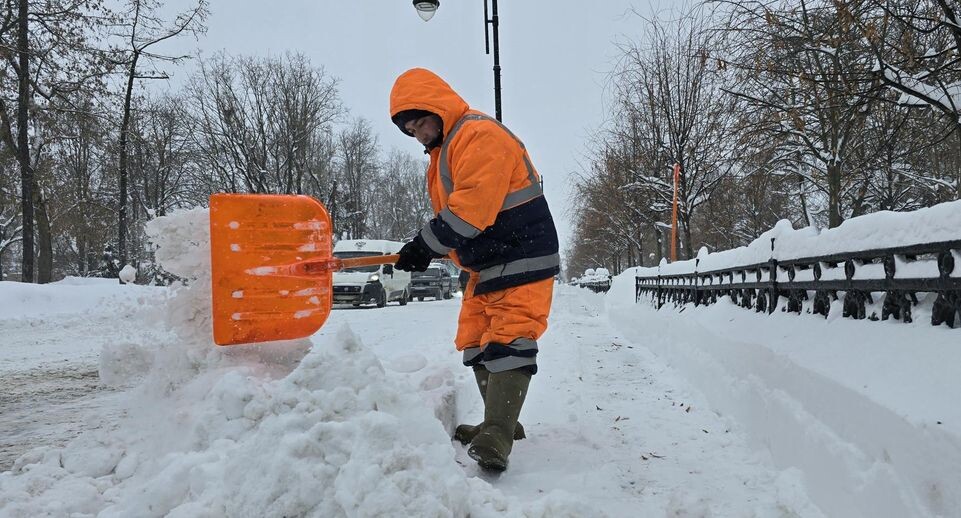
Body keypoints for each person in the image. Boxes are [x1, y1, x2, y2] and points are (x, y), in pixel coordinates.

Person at [389, 68, 560, 471]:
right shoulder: (444, 151)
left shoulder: (477, 136)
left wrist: (423, 245)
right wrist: (424, 248)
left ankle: (498, 435)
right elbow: (459, 218)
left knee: (510, 337)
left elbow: (470, 212)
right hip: (487, 263)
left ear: (438, 108)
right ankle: (499, 421)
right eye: (410, 130)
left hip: (522, 254)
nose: (419, 134)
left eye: (421, 122)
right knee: (476, 340)